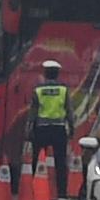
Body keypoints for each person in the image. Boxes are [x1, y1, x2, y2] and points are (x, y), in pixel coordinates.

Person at [31, 59, 72, 189]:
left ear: (45, 74)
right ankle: (61, 189)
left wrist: (29, 128)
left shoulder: (38, 89)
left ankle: (35, 185)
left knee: (38, 158)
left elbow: (33, 111)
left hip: (41, 129)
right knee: (60, 160)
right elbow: (69, 110)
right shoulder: (63, 89)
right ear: (57, 74)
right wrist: (71, 127)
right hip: (59, 129)